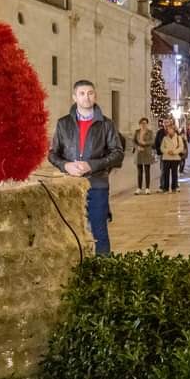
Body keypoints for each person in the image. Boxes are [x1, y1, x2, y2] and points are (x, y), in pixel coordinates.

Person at [48, 80, 124, 256]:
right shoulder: (63, 124)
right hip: (70, 186)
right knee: (70, 232)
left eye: (90, 93)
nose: (86, 97)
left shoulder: (106, 124)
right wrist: (65, 165)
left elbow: (117, 153)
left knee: (99, 232)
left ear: (95, 95)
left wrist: (92, 165)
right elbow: (52, 154)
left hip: (97, 185)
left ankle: (103, 271)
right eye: (82, 93)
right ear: (74, 97)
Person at [159, 123, 184, 193]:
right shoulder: (165, 138)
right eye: (168, 129)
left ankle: (174, 188)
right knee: (166, 174)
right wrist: (167, 151)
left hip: (175, 158)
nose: (169, 130)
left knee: (174, 174)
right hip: (166, 158)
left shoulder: (178, 138)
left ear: (174, 130)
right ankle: (166, 188)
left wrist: (174, 152)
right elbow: (162, 148)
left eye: (170, 129)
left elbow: (181, 147)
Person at [133, 118, 155, 195]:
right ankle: (139, 188)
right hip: (139, 153)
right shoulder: (137, 132)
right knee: (139, 172)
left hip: (147, 153)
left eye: (145, 123)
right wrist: (137, 147)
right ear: (140, 124)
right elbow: (134, 141)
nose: (143, 124)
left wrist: (145, 143)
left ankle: (147, 188)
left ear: (147, 124)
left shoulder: (150, 132)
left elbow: (152, 141)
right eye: (142, 123)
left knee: (147, 171)